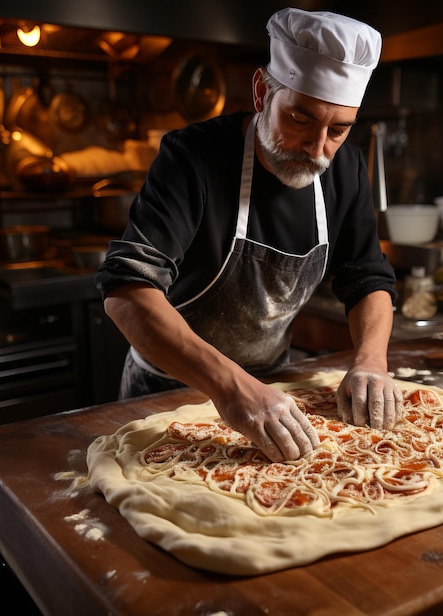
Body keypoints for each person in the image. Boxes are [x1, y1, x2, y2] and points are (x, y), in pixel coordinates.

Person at [95, 7, 403, 463]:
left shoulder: (348, 169)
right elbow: (126, 291)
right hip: (167, 392)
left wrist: (371, 362)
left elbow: (367, 278)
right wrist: (231, 387)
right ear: (262, 92)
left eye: (338, 130)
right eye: (299, 119)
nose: (318, 150)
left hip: (276, 392)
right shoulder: (193, 157)